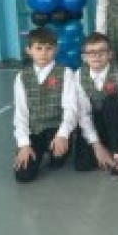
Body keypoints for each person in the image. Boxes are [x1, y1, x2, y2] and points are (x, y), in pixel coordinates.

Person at [12, 28, 78, 183]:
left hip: (56, 128)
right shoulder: (22, 77)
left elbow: (71, 108)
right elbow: (21, 113)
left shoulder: (65, 73)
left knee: (57, 159)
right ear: (29, 50)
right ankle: (36, 149)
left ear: (56, 50)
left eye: (49, 48)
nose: (43, 53)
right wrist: (24, 144)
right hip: (34, 130)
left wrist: (63, 135)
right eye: (39, 48)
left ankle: (62, 147)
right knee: (23, 175)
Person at [73, 32, 118, 175]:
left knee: (115, 101)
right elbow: (83, 114)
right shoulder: (78, 75)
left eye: (102, 51)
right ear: (84, 57)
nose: (97, 56)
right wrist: (97, 146)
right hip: (95, 124)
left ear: (110, 54)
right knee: (82, 165)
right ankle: (104, 149)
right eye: (91, 52)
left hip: (116, 125)